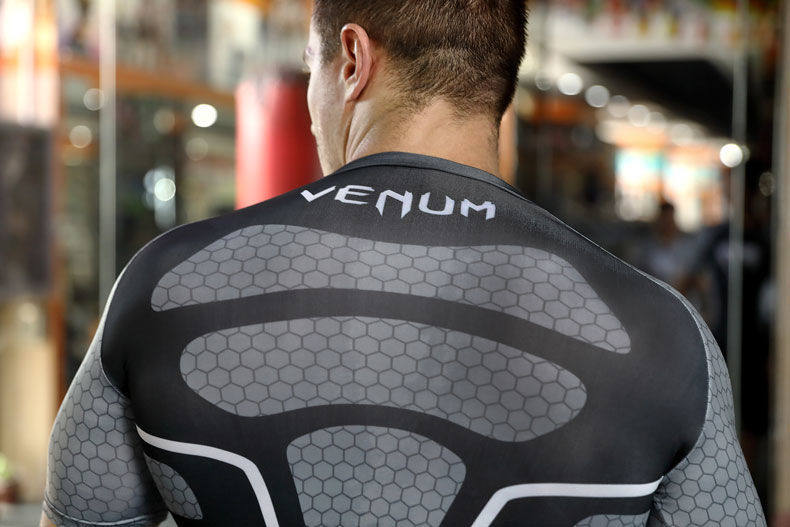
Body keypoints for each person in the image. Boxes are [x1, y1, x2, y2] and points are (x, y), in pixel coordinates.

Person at [42, 1, 766, 525]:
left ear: (352, 61)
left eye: (311, 70)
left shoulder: (167, 285)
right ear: (499, 81)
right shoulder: (662, 336)